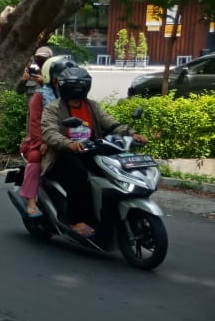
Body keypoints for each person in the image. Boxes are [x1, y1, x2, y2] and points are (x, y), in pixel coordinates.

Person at [41, 66, 147, 238]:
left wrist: (132, 134)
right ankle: (76, 219)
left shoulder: (92, 106)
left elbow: (112, 124)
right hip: (62, 154)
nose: (77, 90)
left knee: (112, 174)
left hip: (91, 150)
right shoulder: (53, 108)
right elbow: (49, 132)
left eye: (80, 86)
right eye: (74, 86)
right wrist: (68, 144)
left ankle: (108, 217)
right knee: (80, 175)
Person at [19, 55, 76, 216]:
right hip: (41, 140)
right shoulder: (41, 96)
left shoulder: (74, 96)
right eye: (61, 78)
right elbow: (35, 124)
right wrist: (42, 142)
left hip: (69, 140)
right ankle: (31, 200)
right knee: (36, 156)